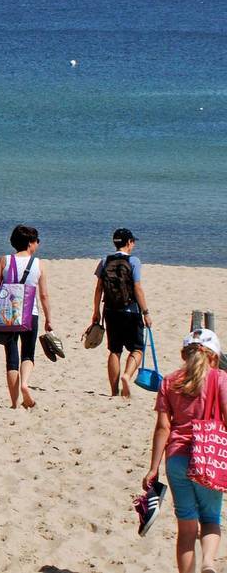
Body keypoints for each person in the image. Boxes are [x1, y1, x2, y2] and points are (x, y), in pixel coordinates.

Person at [140, 328, 227, 564]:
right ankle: (208, 563)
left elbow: (162, 428)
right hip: (209, 456)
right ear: (215, 356)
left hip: (177, 458)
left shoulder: (170, 381)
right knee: (210, 519)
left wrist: (153, 468)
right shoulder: (220, 378)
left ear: (183, 354)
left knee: (186, 527)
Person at [0, 224, 53, 410]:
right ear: (30, 243)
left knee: (11, 357)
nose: (38, 244)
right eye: (36, 241)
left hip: (7, 313)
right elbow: (43, 295)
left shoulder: (4, 260)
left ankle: (14, 403)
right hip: (30, 313)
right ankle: (25, 384)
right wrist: (49, 318)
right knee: (28, 353)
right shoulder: (38, 264)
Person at [89, 227, 152, 398]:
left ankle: (113, 391)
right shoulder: (134, 261)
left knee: (114, 350)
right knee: (138, 349)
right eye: (133, 242)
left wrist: (96, 312)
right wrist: (146, 312)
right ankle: (127, 375)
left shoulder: (104, 260)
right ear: (129, 243)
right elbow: (137, 288)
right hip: (131, 311)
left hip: (110, 311)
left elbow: (98, 289)